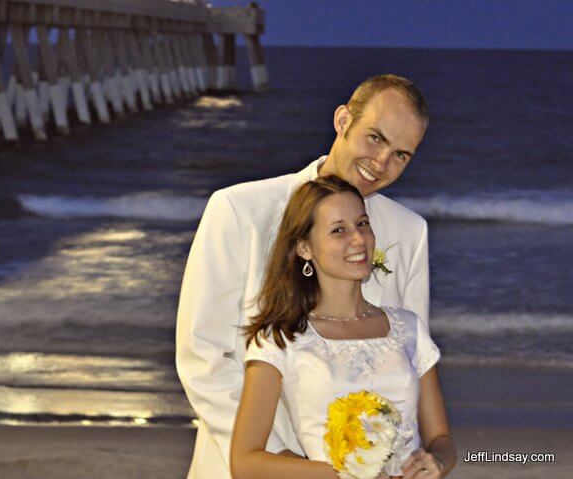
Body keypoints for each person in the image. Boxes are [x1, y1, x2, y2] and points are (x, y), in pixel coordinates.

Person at [177, 74, 431, 479]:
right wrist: (286, 462)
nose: (381, 164)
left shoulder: (408, 232)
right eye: (375, 139)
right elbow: (202, 357)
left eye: (402, 154)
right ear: (343, 120)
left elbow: (408, 368)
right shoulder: (239, 210)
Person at [229, 175, 456, 479]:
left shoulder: (408, 327)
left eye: (362, 224)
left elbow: (441, 440)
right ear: (304, 248)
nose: (359, 239)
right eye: (338, 230)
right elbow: (245, 462)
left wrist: (437, 462)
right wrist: (345, 475)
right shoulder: (280, 339)